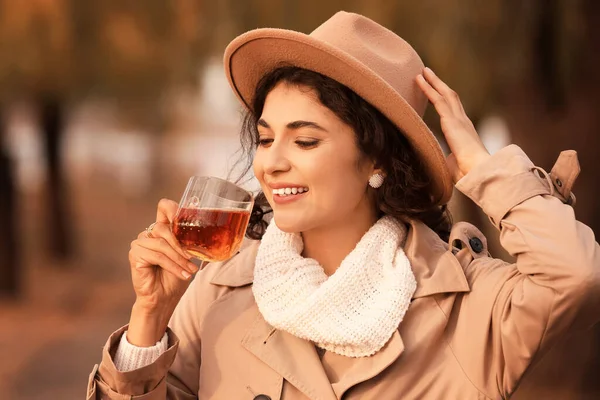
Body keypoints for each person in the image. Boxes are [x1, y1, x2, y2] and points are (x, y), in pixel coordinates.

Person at [86, 11, 600, 400]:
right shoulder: (221, 288)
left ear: (375, 157)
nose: (272, 164)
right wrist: (149, 321)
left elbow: (574, 277)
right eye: (265, 140)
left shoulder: (466, 305)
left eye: (305, 141)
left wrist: (484, 167)